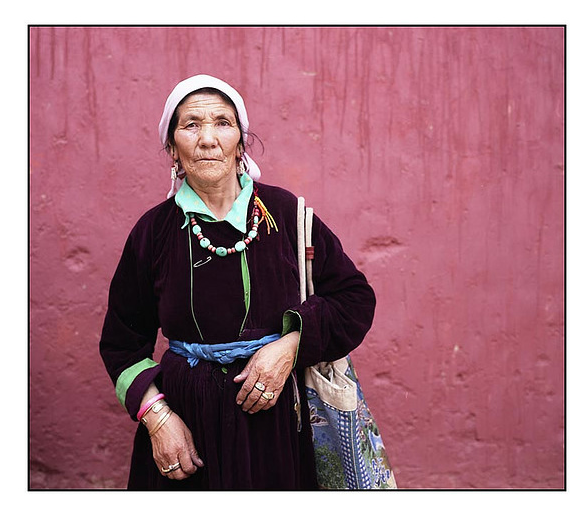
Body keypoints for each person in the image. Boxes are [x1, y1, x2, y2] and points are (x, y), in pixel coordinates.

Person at [99, 74, 376, 490]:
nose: (207, 139)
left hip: (277, 425)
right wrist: (158, 418)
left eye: (222, 123)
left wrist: (290, 345)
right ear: (172, 146)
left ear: (241, 143)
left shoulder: (286, 215)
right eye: (191, 124)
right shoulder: (153, 232)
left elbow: (354, 299)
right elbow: (122, 344)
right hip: (187, 424)